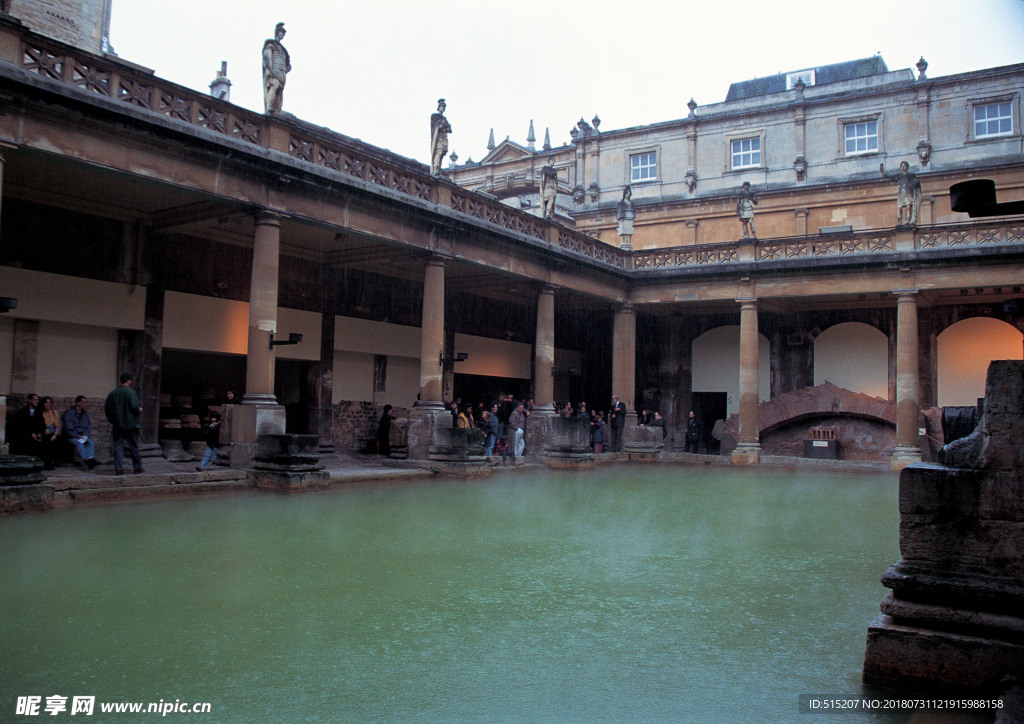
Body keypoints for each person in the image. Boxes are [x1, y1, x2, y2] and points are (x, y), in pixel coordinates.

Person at [105, 372, 144, 475]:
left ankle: (119, 469)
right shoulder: (130, 393)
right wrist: (139, 410)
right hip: (130, 424)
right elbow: (134, 408)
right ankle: (137, 467)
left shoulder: (113, 393)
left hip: (117, 424)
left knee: (117, 446)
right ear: (128, 380)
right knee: (133, 446)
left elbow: (107, 409)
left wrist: (112, 420)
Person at [879, 161, 922, 226]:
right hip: (901, 193)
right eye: (902, 166)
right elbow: (887, 176)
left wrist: (915, 184)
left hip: (908, 193)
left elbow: (916, 183)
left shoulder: (911, 175)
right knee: (900, 208)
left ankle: (908, 221)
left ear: (907, 166)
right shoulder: (899, 176)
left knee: (909, 207)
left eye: (904, 165)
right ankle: (899, 222)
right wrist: (882, 170)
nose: (903, 167)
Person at [62, 395, 99, 469]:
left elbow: (88, 426)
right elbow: (68, 427)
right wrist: (77, 435)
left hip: (82, 435)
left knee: (90, 443)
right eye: (84, 402)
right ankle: (86, 460)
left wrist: (85, 435)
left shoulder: (84, 414)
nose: (86, 404)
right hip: (72, 436)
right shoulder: (69, 413)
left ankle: (91, 458)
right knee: (79, 443)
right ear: (78, 403)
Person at [262, 22, 291, 114]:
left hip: (281, 71)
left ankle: (277, 109)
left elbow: (287, 64)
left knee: (279, 90)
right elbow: (267, 57)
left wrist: (286, 69)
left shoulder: (283, 50)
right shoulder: (271, 44)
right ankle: (270, 106)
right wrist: (268, 69)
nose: (282, 35)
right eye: (281, 32)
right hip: (274, 70)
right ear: (277, 32)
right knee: (274, 85)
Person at [11, 392, 45, 459]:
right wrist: (31, 433)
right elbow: (20, 426)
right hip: (25, 436)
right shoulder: (21, 412)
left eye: (37, 400)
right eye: (35, 400)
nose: (36, 402)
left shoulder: (38, 412)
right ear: (29, 401)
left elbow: (42, 424)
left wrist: (39, 434)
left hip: (36, 435)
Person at [430, 98, 452, 175]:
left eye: (444, 107)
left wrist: (445, 126)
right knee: (438, 151)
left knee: (442, 152)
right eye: (442, 107)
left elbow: (450, 129)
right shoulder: (434, 116)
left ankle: (439, 169)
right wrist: (444, 126)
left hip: (444, 137)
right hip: (438, 137)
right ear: (439, 107)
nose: (443, 108)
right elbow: (438, 126)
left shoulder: (444, 118)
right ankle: (435, 168)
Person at [40, 396, 61, 468]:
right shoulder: (40, 412)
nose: (48, 404)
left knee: (53, 443)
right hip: (43, 432)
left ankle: (50, 462)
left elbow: (57, 425)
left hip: (51, 433)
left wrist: (55, 435)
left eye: (50, 403)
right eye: (46, 403)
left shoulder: (54, 412)